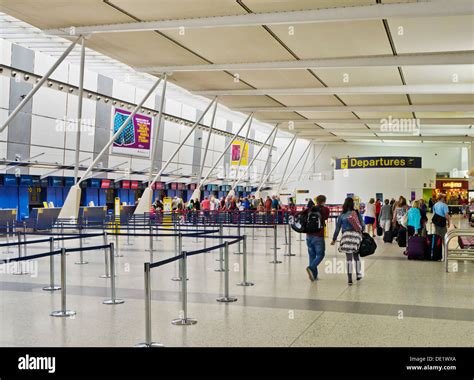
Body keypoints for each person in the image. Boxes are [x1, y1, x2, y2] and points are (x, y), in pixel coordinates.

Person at [331, 197, 364, 285]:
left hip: (346, 237)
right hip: (356, 236)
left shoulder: (342, 215)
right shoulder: (356, 212)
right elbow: (362, 225)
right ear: (352, 204)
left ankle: (349, 279)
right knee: (356, 257)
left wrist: (334, 239)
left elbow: (337, 228)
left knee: (348, 259)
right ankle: (358, 274)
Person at [305, 195, 330, 282]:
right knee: (320, 255)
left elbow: (299, 215)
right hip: (318, 236)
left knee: (312, 255)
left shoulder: (310, 209)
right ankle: (311, 268)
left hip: (308, 236)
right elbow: (326, 217)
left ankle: (314, 276)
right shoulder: (325, 209)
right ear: (324, 201)